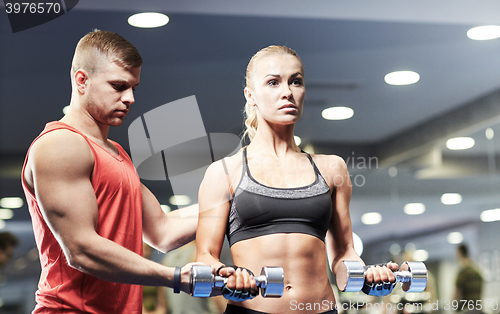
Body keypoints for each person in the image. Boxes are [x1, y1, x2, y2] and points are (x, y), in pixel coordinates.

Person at [196, 45, 399, 314]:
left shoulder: (331, 168)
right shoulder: (223, 172)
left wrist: (366, 276)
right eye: (273, 82)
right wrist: (227, 275)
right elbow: (204, 257)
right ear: (250, 95)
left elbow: (343, 256)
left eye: (296, 81)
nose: (287, 92)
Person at [21, 30, 200, 313]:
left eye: (133, 88)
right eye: (118, 86)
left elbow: (163, 232)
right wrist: (175, 277)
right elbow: (82, 249)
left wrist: (234, 203)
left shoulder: (116, 152)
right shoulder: (61, 144)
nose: (130, 98)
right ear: (82, 80)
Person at [453, 244, 483, 311]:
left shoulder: (462, 273)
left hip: (466, 310)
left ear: (459, 253)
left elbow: (456, 293)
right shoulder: (477, 272)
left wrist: (453, 305)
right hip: (477, 309)